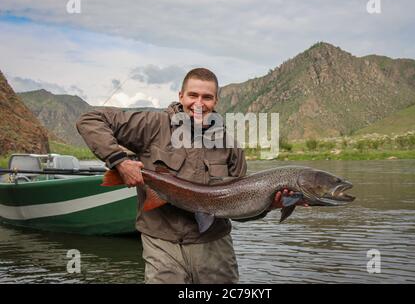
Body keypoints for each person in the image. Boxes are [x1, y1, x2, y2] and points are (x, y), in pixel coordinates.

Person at [76, 67, 305, 284]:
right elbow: (90, 120)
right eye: (192, 95)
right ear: (180, 95)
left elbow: (239, 212)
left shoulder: (230, 146)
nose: (198, 103)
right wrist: (119, 161)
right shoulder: (152, 125)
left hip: (214, 247)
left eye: (207, 97)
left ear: (215, 101)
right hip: (161, 244)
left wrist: (268, 205)